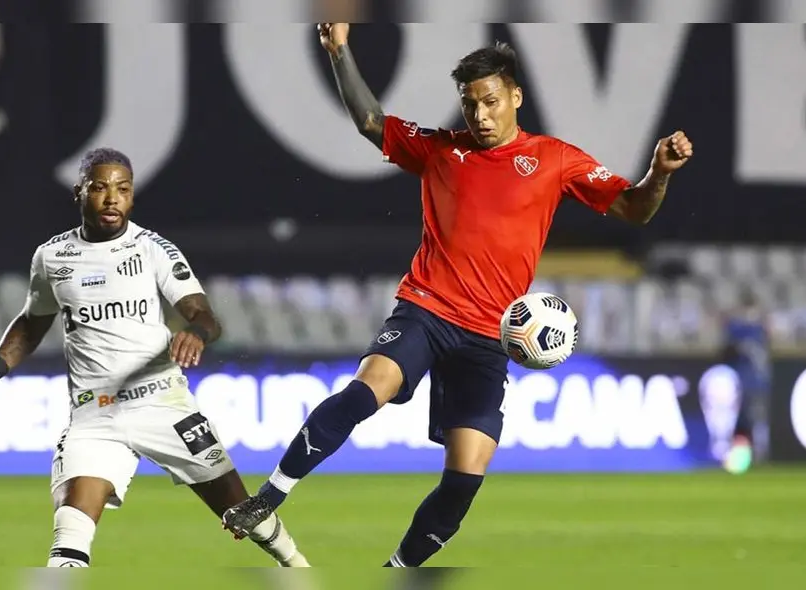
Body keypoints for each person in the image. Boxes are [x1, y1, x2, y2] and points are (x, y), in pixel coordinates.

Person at [222, 23, 694, 567]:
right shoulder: (441, 150)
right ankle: (270, 496)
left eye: (491, 101)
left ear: (515, 96)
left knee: (464, 479)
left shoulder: (556, 159)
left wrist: (658, 172)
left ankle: (396, 572)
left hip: (493, 335)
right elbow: (370, 121)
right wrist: (339, 51)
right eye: (470, 105)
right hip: (426, 310)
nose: (481, 115)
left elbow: (633, 209)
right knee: (364, 391)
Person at [0, 148, 309, 568]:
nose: (112, 198)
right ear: (80, 192)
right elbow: (31, 322)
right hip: (94, 416)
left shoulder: (153, 249)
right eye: (100, 188)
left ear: (132, 197)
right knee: (70, 531)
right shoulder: (52, 257)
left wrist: (195, 332)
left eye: (123, 189)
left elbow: (204, 315)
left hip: (163, 405)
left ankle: (297, 567)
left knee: (240, 511)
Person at [721, 289, 771, 474]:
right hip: (740, 384)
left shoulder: (757, 329)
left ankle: (758, 455)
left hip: (753, 384)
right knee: (740, 423)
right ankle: (741, 457)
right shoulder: (741, 328)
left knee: (755, 421)